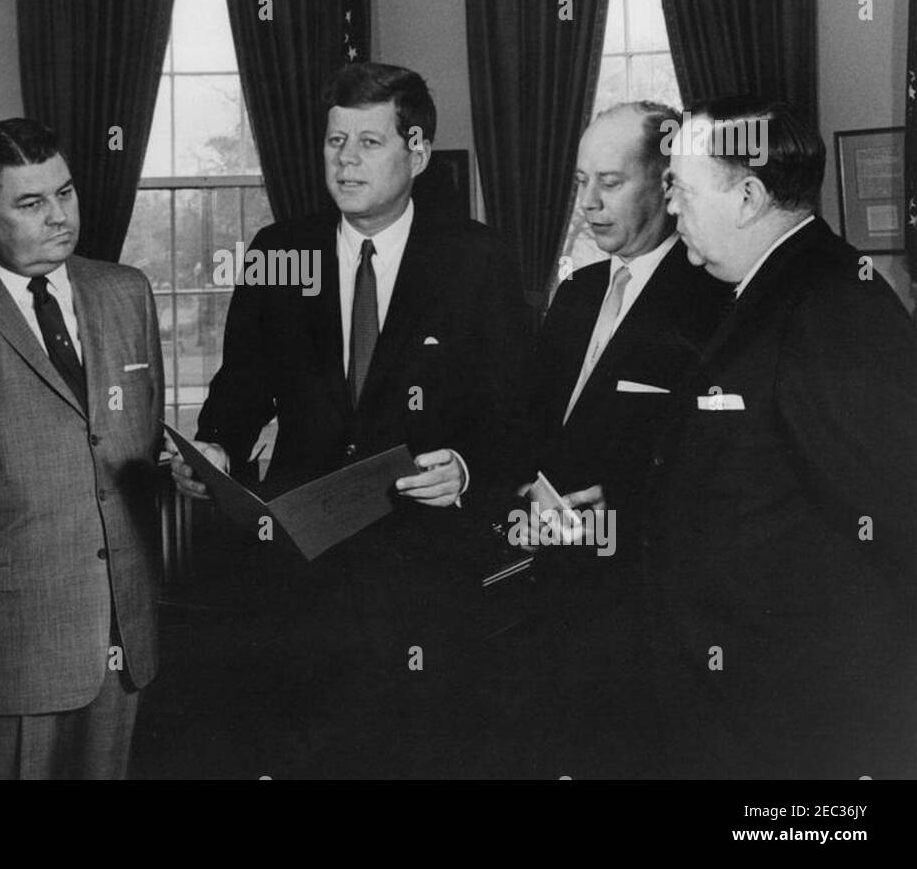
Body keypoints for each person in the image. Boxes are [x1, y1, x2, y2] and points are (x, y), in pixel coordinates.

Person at [169, 61, 532, 778]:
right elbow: (241, 389)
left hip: (428, 573)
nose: (345, 161)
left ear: (418, 150)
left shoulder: (477, 260)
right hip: (303, 574)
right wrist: (213, 446)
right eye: (336, 142)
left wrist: (465, 468)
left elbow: (516, 412)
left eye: (369, 142)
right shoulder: (281, 251)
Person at [649, 97, 917, 778]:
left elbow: (896, 513)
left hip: (800, 722)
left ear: (746, 196)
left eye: (679, 186)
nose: (670, 206)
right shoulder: (766, 287)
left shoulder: (834, 304)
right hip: (744, 702)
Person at [0, 118, 164, 781]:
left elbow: (141, 446)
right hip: (10, 649)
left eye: (66, 193)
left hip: (124, 638)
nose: (59, 217)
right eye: (31, 203)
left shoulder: (127, 291)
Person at [500, 100, 730, 778]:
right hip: (543, 599)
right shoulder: (576, 292)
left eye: (610, 181)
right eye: (579, 182)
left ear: (665, 184)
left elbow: (715, 469)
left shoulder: (715, 299)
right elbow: (529, 428)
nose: (589, 204)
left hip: (647, 622)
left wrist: (615, 511)